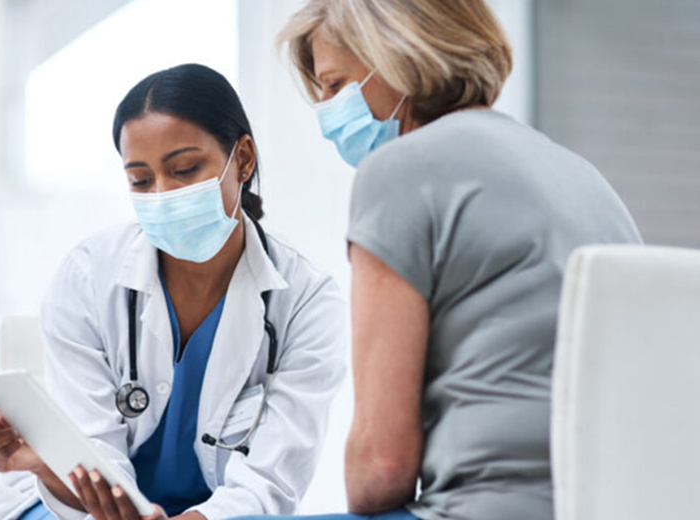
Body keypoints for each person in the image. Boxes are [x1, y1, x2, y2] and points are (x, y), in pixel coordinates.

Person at [268, 1, 643, 520]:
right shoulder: (583, 176)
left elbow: (380, 470)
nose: (328, 111)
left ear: (399, 58)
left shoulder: (396, 171)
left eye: (335, 86)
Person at [0, 63, 346, 520]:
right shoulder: (88, 278)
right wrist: (53, 471)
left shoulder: (305, 301)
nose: (162, 194)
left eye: (183, 170)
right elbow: (92, 463)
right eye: (141, 180)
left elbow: (270, 481)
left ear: (242, 159)